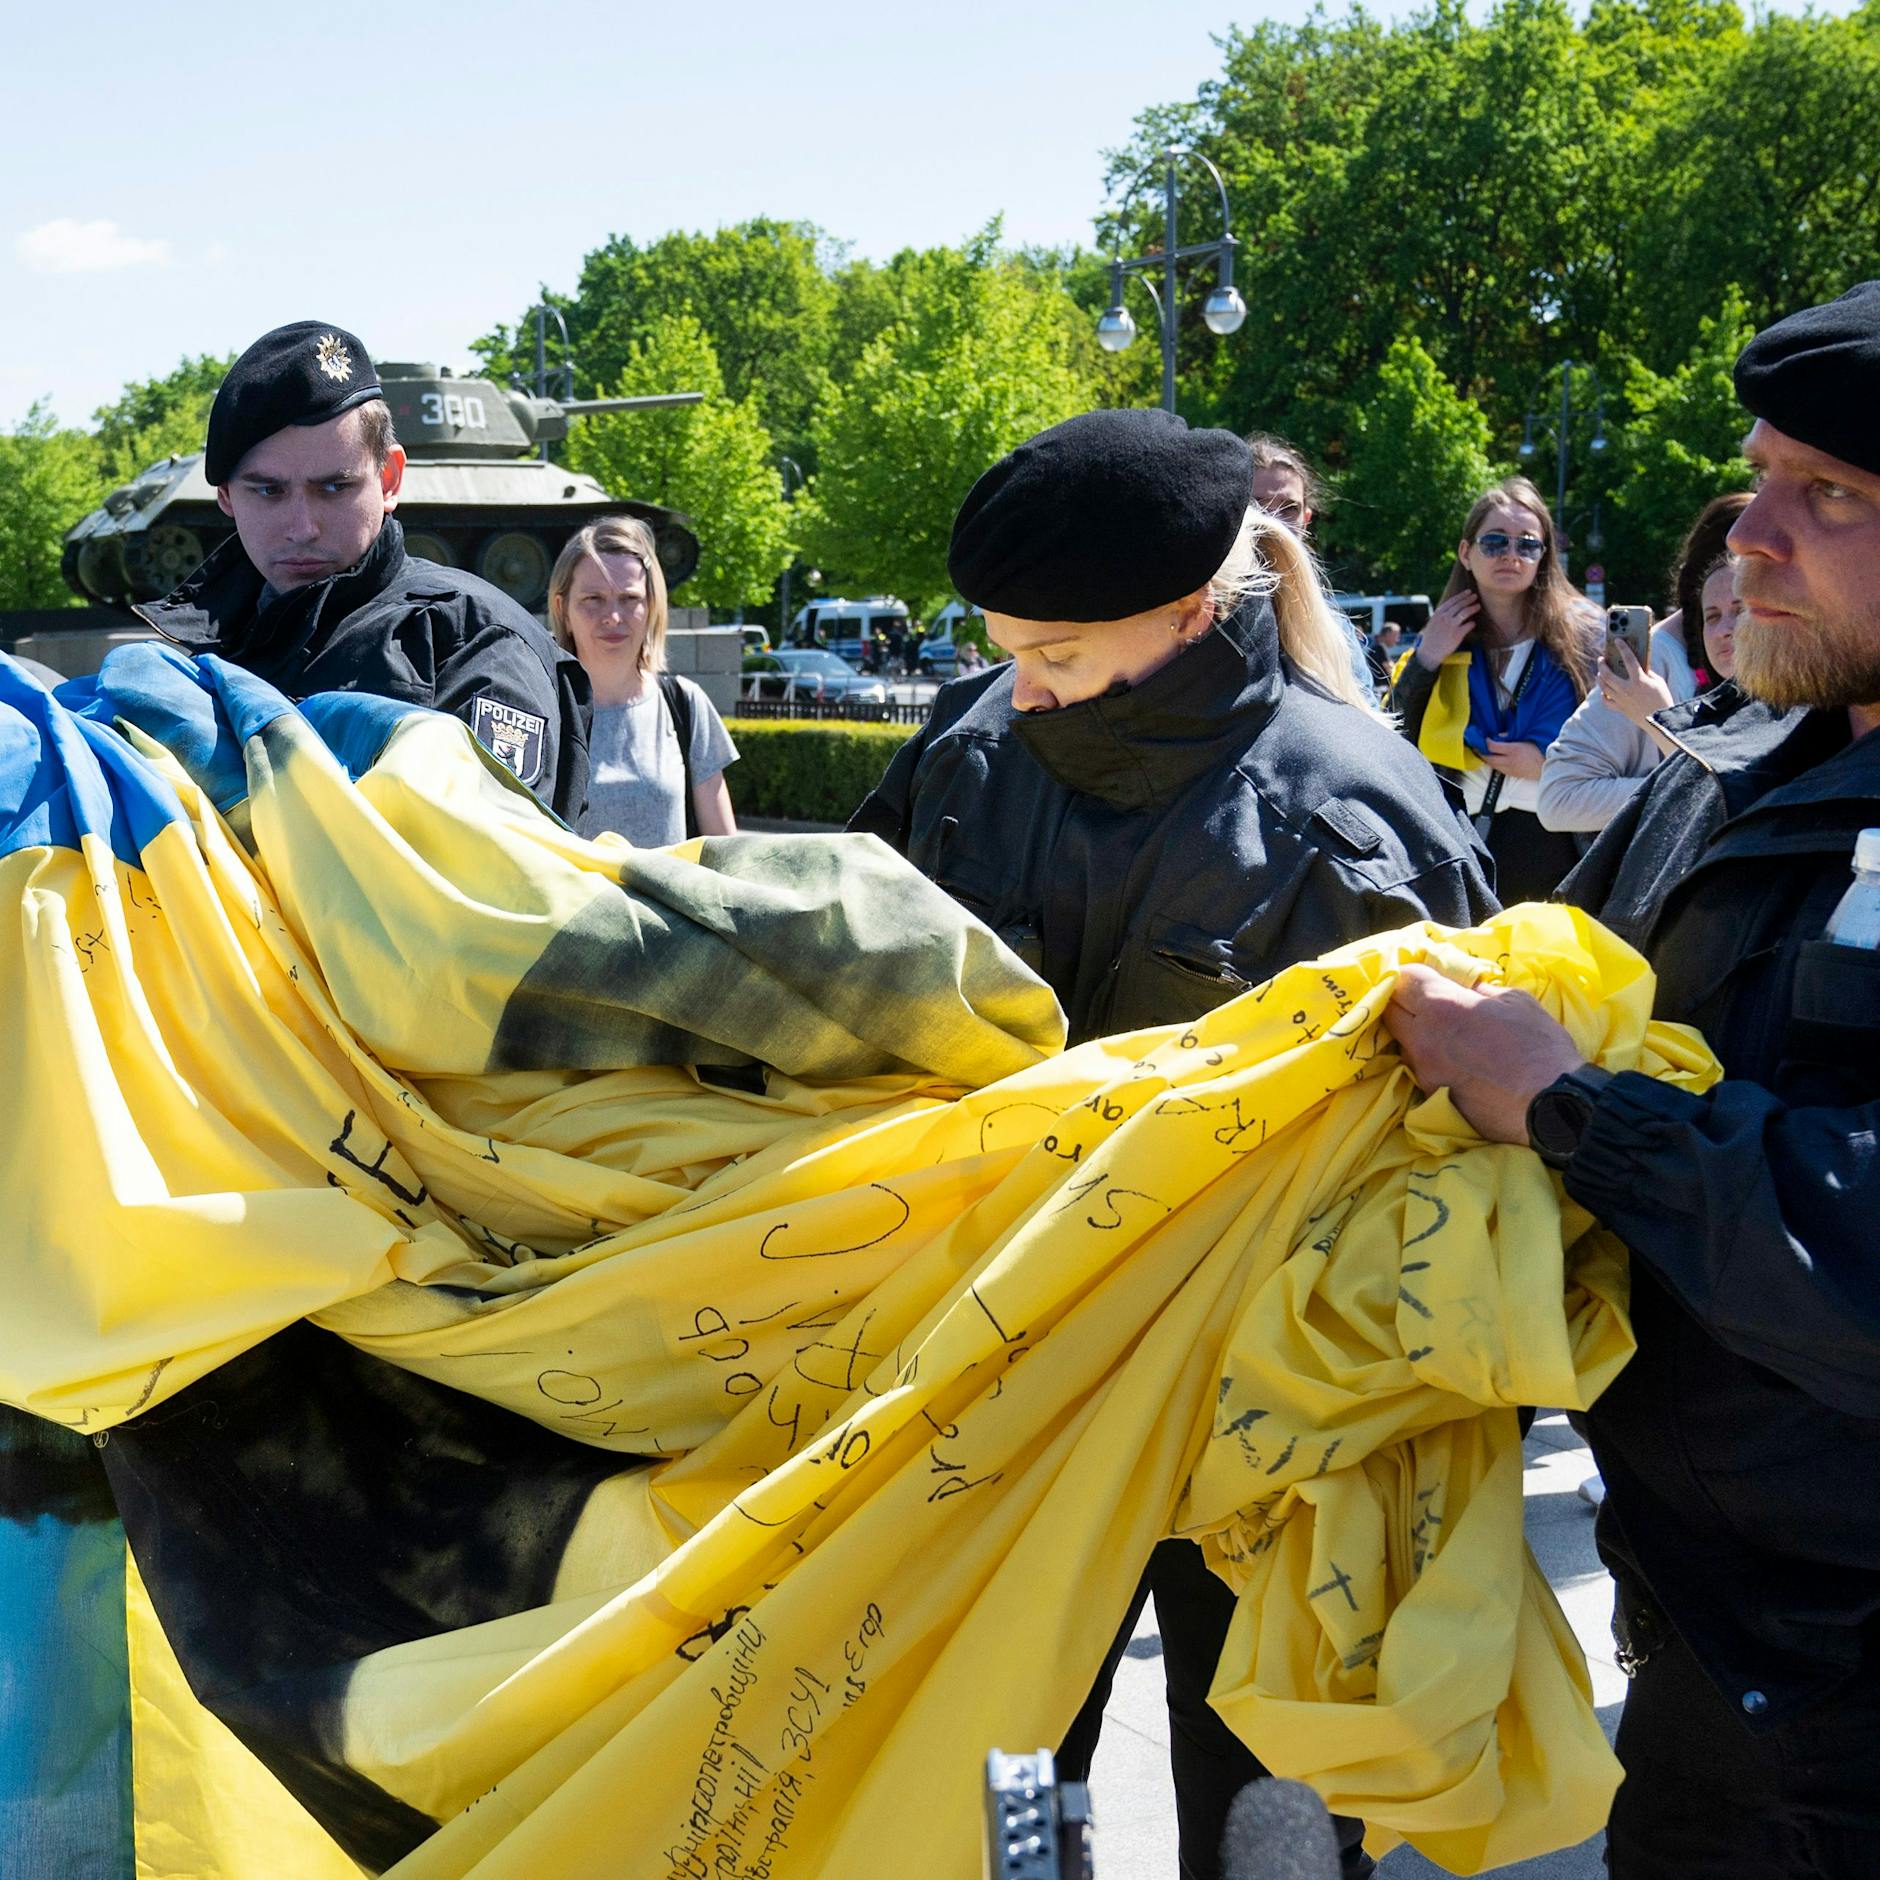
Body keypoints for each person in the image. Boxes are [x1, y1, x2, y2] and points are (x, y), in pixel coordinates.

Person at [852, 407, 1498, 1880]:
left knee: (1263, 1824)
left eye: (1058, 658)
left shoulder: (1352, 815)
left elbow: (1453, 1175)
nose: (1019, 692)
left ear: (1194, 612)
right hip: (997, 1398)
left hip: (1258, 1450)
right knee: (966, 1810)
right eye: (1007, 649)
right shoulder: (970, 751)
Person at [1385, 280, 1880, 1879]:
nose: (1753, 537)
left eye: (1835, 496)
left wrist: (1570, 1108)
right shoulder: (1732, 773)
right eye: (1762, 479)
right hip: (1713, 1670)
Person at [142, 321, 590, 822]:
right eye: (268, 490)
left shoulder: (471, 641)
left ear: (390, 478)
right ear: (225, 496)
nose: (302, 526)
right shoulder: (204, 648)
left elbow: (496, 858)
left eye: (334, 487)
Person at [1394, 476, 1598, 901]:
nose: (1511, 555)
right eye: (1495, 542)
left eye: (1527, 544)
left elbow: (1616, 745)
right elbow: (1392, 736)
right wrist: (1427, 659)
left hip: (1557, 838)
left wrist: (1550, 764)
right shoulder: (1441, 639)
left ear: (1544, 557)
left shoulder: (1580, 640)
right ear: (1466, 553)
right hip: (1459, 836)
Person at [548, 516, 737, 845]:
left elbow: (728, 854)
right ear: (563, 609)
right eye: (593, 599)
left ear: (652, 605)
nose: (613, 616)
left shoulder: (686, 705)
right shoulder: (541, 709)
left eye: (629, 598)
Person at [1538, 554, 1742, 834]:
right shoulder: (1704, 697)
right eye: (1712, 616)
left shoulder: (1796, 708)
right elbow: (1558, 801)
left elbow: (1735, 799)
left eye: (1740, 610)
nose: (1723, 630)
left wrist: (1659, 720)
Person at [1247, 430, 1377, 702]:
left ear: (1306, 519)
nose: (1273, 521)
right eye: (1256, 506)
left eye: (1288, 509)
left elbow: (1369, 722)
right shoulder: (1201, 615)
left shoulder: (1334, 628)